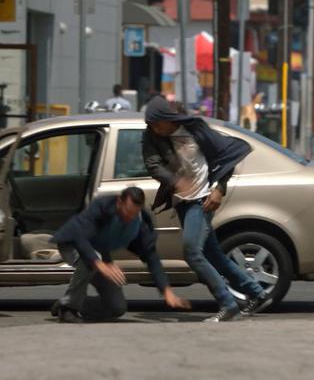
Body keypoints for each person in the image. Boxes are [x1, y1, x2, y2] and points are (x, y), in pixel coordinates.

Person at [142, 97, 270, 322]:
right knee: (212, 254)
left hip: (203, 199)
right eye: (150, 124)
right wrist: (175, 182)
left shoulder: (196, 129)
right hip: (182, 201)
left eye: (156, 123)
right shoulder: (151, 136)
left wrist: (219, 188)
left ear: (168, 120)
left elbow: (226, 157)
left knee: (192, 252)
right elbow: (153, 164)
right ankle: (256, 293)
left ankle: (228, 304)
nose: (153, 128)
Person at [49, 186, 191, 323]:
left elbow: (152, 258)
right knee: (93, 258)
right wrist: (99, 264)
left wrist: (166, 291)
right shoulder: (102, 206)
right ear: (119, 202)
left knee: (116, 307)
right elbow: (80, 237)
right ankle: (69, 308)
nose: (129, 218)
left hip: (99, 252)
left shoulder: (139, 225)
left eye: (134, 214)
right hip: (72, 243)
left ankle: (64, 303)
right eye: (126, 212)